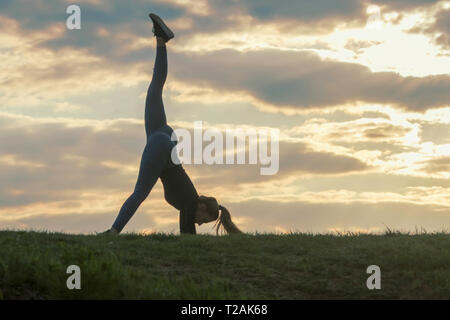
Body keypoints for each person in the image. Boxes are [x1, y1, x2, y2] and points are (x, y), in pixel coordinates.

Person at [103, 13, 242, 236]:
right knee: (139, 193)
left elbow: (188, 232)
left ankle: (161, 40)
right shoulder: (189, 203)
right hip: (161, 147)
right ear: (202, 208)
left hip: (162, 136)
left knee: (155, 87)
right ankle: (113, 232)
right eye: (203, 221)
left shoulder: (190, 199)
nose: (198, 224)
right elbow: (189, 240)